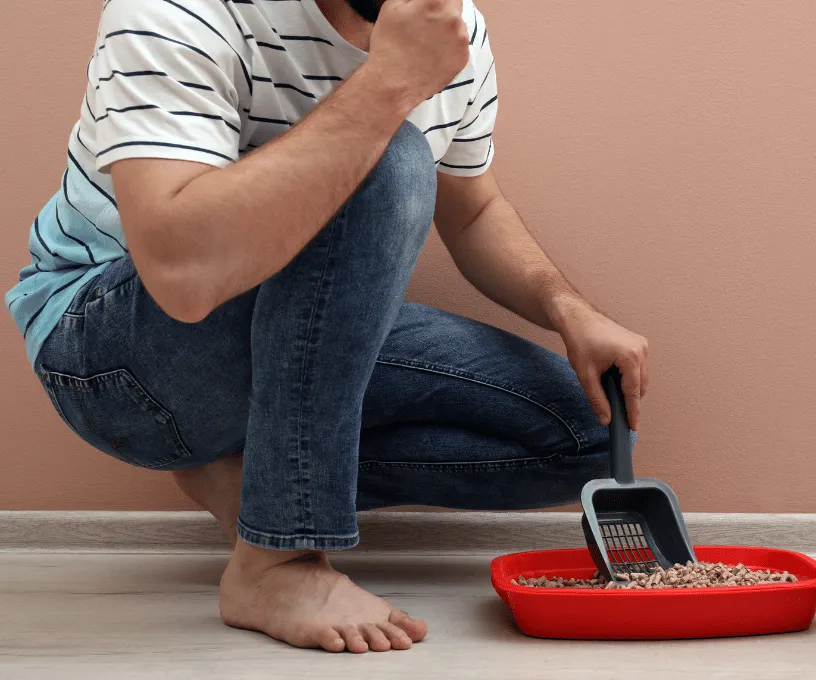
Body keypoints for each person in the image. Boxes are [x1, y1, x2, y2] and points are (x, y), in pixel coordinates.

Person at [4, 0, 651, 654]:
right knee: (386, 156)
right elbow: (182, 276)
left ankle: (245, 478)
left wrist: (570, 309)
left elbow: (473, 208)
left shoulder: (450, 28)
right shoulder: (179, 9)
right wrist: (388, 83)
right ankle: (277, 561)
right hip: (112, 348)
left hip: (300, 326)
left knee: (589, 433)